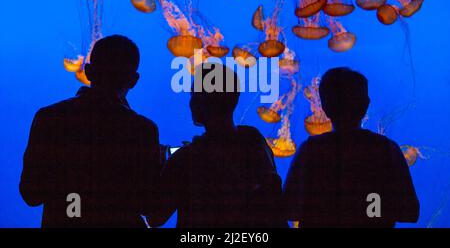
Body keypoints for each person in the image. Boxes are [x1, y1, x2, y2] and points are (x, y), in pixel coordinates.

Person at [20, 35, 161, 228]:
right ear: (134, 80)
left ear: (88, 71)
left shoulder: (49, 118)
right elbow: (149, 206)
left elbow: (31, 195)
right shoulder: (143, 131)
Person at [148, 63, 285, 228]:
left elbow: (155, 217)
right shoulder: (253, 140)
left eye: (194, 95)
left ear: (201, 102)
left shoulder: (186, 159)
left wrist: (157, 164)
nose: (191, 102)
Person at [283, 67, 420, 227]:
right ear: (365, 105)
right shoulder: (386, 149)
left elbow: (288, 209)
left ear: (325, 107)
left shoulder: (311, 150)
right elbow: (410, 211)